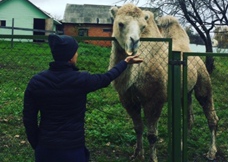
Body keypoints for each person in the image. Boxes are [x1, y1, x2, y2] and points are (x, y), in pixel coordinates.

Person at [23, 34, 143, 162]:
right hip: (73, 149)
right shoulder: (81, 79)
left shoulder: (36, 82)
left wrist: (36, 144)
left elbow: (29, 117)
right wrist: (125, 62)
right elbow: (106, 77)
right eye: (76, 52)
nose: (77, 55)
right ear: (71, 57)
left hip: (45, 149)